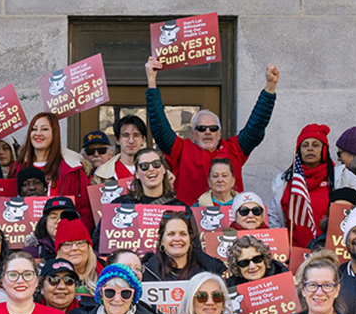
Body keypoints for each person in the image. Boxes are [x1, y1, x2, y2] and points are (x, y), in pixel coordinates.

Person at [144, 58, 279, 205]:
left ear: (220, 134)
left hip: (229, 224)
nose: (208, 132)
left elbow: (256, 126)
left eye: (213, 128)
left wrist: (270, 87)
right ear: (193, 135)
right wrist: (152, 82)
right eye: (201, 128)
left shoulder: (234, 149)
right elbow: (159, 127)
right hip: (190, 223)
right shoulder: (182, 151)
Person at [269, 124, 356, 245]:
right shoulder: (284, 181)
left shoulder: (340, 176)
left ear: (324, 150)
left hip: (332, 250)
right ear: (298, 151)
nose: (310, 148)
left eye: (315, 145)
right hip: (295, 253)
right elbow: (275, 219)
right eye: (305, 145)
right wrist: (280, 248)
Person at [9, 112, 94, 230]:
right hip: (23, 238)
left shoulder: (72, 169)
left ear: (55, 133)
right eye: (34, 129)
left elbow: (85, 211)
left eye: (44, 129)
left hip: (62, 238)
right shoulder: (16, 168)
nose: (38, 133)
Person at [142, 210, 225, 282]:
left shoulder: (208, 271)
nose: (177, 238)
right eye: (171, 234)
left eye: (183, 234)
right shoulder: (146, 273)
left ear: (190, 239)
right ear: (161, 240)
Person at [94, 116, 148, 197]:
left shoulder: (157, 170)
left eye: (136, 135)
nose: (131, 141)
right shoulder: (102, 173)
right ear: (117, 140)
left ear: (143, 139)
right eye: (126, 135)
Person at [113, 148, 186, 206]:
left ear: (164, 169)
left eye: (156, 164)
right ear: (137, 174)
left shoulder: (179, 208)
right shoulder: (121, 204)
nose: (151, 169)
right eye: (144, 166)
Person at [54, 216, 101, 296]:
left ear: (88, 247)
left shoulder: (106, 273)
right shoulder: (50, 279)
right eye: (67, 244)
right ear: (59, 250)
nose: (74, 248)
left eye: (80, 243)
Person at [23, 196, 75, 261]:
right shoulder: (32, 252)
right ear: (45, 222)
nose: (59, 221)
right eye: (53, 217)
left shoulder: (84, 249)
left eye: (64, 217)